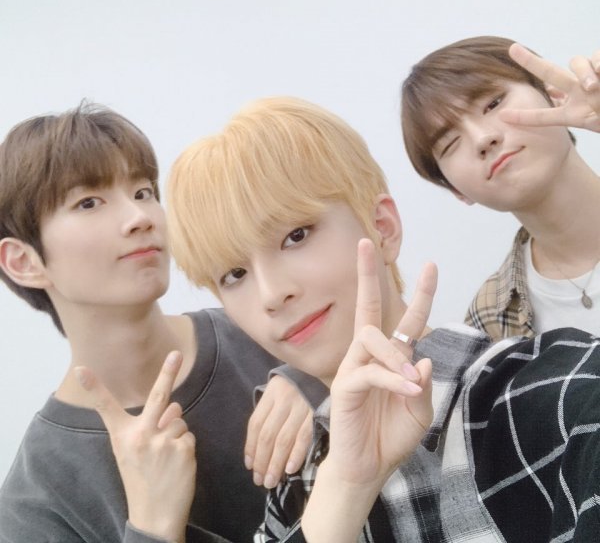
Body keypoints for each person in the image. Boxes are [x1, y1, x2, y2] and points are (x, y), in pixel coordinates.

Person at [157, 96, 600, 541]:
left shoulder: (560, 392)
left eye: (296, 235)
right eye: (234, 275)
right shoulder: (295, 482)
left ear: (382, 227)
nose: (272, 294)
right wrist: (345, 490)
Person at [0, 103, 321, 543]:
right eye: (89, 202)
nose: (141, 218)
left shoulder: (271, 329)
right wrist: (152, 528)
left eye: (143, 192)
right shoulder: (34, 504)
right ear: (23, 262)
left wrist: (320, 379)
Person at [401, 37, 600, 341]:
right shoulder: (487, 323)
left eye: (493, 103)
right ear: (456, 190)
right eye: (450, 143)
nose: (482, 139)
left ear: (555, 95)